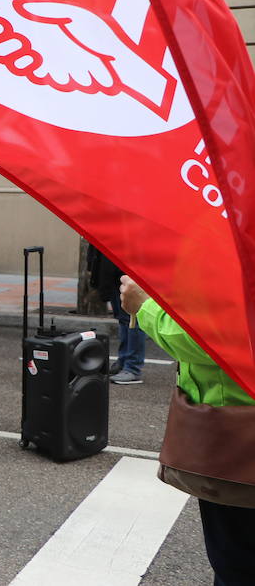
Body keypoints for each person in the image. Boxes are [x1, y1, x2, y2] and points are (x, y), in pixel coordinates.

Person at [121, 277, 255, 583]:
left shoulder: (238, 247)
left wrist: (144, 308)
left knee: (237, 566)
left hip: (234, 445)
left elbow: (213, 336)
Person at [87, 244, 148, 385]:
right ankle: (124, 360)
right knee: (123, 320)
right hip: (112, 270)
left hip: (127, 269)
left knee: (132, 319)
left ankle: (132, 367)